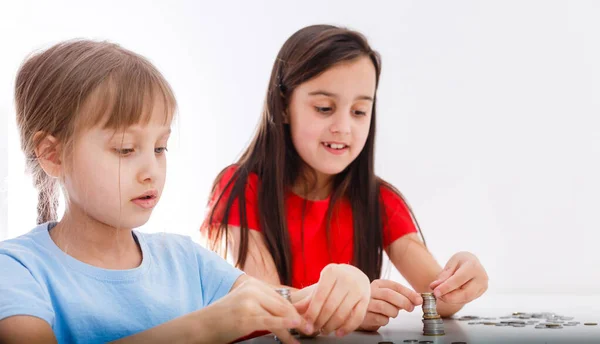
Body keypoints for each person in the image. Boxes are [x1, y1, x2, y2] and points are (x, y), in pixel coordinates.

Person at [0, 39, 370, 344]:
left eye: (160, 148)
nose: (151, 171)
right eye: (126, 149)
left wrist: (342, 287)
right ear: (52, 155)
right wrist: (206, 327)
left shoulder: (185, 260)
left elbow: (278, 307)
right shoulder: (17, 269)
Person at [202, 24, 489, 333]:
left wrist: (463, 277)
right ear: (283, 106)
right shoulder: (242, 187)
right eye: (324, 108)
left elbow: (440, 300)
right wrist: (347, 306)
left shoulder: (380, 200)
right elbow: (262, 302)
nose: (343, 127)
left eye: (359, 111)